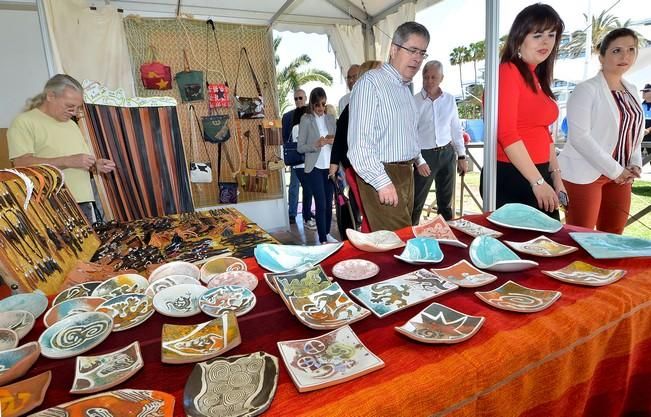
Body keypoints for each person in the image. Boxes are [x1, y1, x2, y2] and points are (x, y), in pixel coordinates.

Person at [558, 28, 644, 234]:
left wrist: (635, 163)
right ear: (602, 56)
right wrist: (616, 170)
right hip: (585, 174)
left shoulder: (632, 89)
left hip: (622, 175)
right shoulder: (586, 89)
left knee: (614, 237)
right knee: (580, 237)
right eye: (617, 50)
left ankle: (608, 269)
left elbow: (634, 132)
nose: (625, 56)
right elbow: (579, 137)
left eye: (631, 49)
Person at [484, 3, 565, 219]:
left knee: (546, 247)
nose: (546, 41)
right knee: (522, 250)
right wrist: (537, 181)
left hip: (537, 174)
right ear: (520, 37)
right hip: (514, 176)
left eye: (552, 34)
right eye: (538, 35)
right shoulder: (507, 71)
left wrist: (555, 176)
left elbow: (544, 132)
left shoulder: (537, 77)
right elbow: (506, 133)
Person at [348, 21, 431, 232]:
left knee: (401, 240)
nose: (418, 58)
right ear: (394, 49)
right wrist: (381, 181)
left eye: (422, 53)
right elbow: (359, 144)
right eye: (412, 50)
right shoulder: (370, 83)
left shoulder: (404, 88)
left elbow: (408, 134)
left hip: (406, 173)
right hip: (382, 172)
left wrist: (418, 159)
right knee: (398, 242)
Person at [7, 74, 115, 223]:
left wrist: (95, 165)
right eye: (70, 106)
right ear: (50, 96)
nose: (74, 113)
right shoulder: (24, 122)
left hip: (84, 202)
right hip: (51, 204)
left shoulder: (71, 125)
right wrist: (68, 161)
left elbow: (77, 161)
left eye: (78, 108)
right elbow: (21, 163)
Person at [412, 60, 467, 224]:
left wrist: (462, 156)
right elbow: (410, 134)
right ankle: (409, 237)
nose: (429, 81)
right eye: (426, 77)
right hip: (425, 156)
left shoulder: (449, 100)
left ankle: (447, 237)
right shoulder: (414, 101)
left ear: (441, 78)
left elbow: (456, 129)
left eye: (433, 77)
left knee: (446, 202)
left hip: (447, 154)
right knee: (416, 201)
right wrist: (418, 160)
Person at [330, 60, 383, 233]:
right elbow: (340, 136)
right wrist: (334, 163)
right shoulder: (353, 103)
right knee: (368, 207)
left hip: (371, 165)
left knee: (371, 208)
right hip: (358, 165)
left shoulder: (374, 99)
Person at [297, 87, 337, 244]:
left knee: (328, 204)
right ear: (312, 105)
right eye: (318, 105)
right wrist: (316, 144)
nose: (321, 108)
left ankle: (326, 234)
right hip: (314, 168)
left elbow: (337, 142)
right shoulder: (306, 119)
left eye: (323, 104)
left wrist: (333, 141)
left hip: (329, 168)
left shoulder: (330, 119)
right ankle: (322, 239)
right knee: (321, 204)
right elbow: (300, 147)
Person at [281, 88, 314, 229]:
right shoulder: (288, 116)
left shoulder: (311, 113)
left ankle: (307, 213)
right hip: (296, 157)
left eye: (300, 98)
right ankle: (292, 214)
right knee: (294, 186)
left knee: (309, 187)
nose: (298, 101)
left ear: (305, 98)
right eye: (296, 98)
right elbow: (285, 136)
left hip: (310, 156)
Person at [288, 106, 316, 231]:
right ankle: (306, 218)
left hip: (308, 164)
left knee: (308, 190)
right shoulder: (297, 128)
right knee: (308, 189)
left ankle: (308, 215)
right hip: (300, 164)